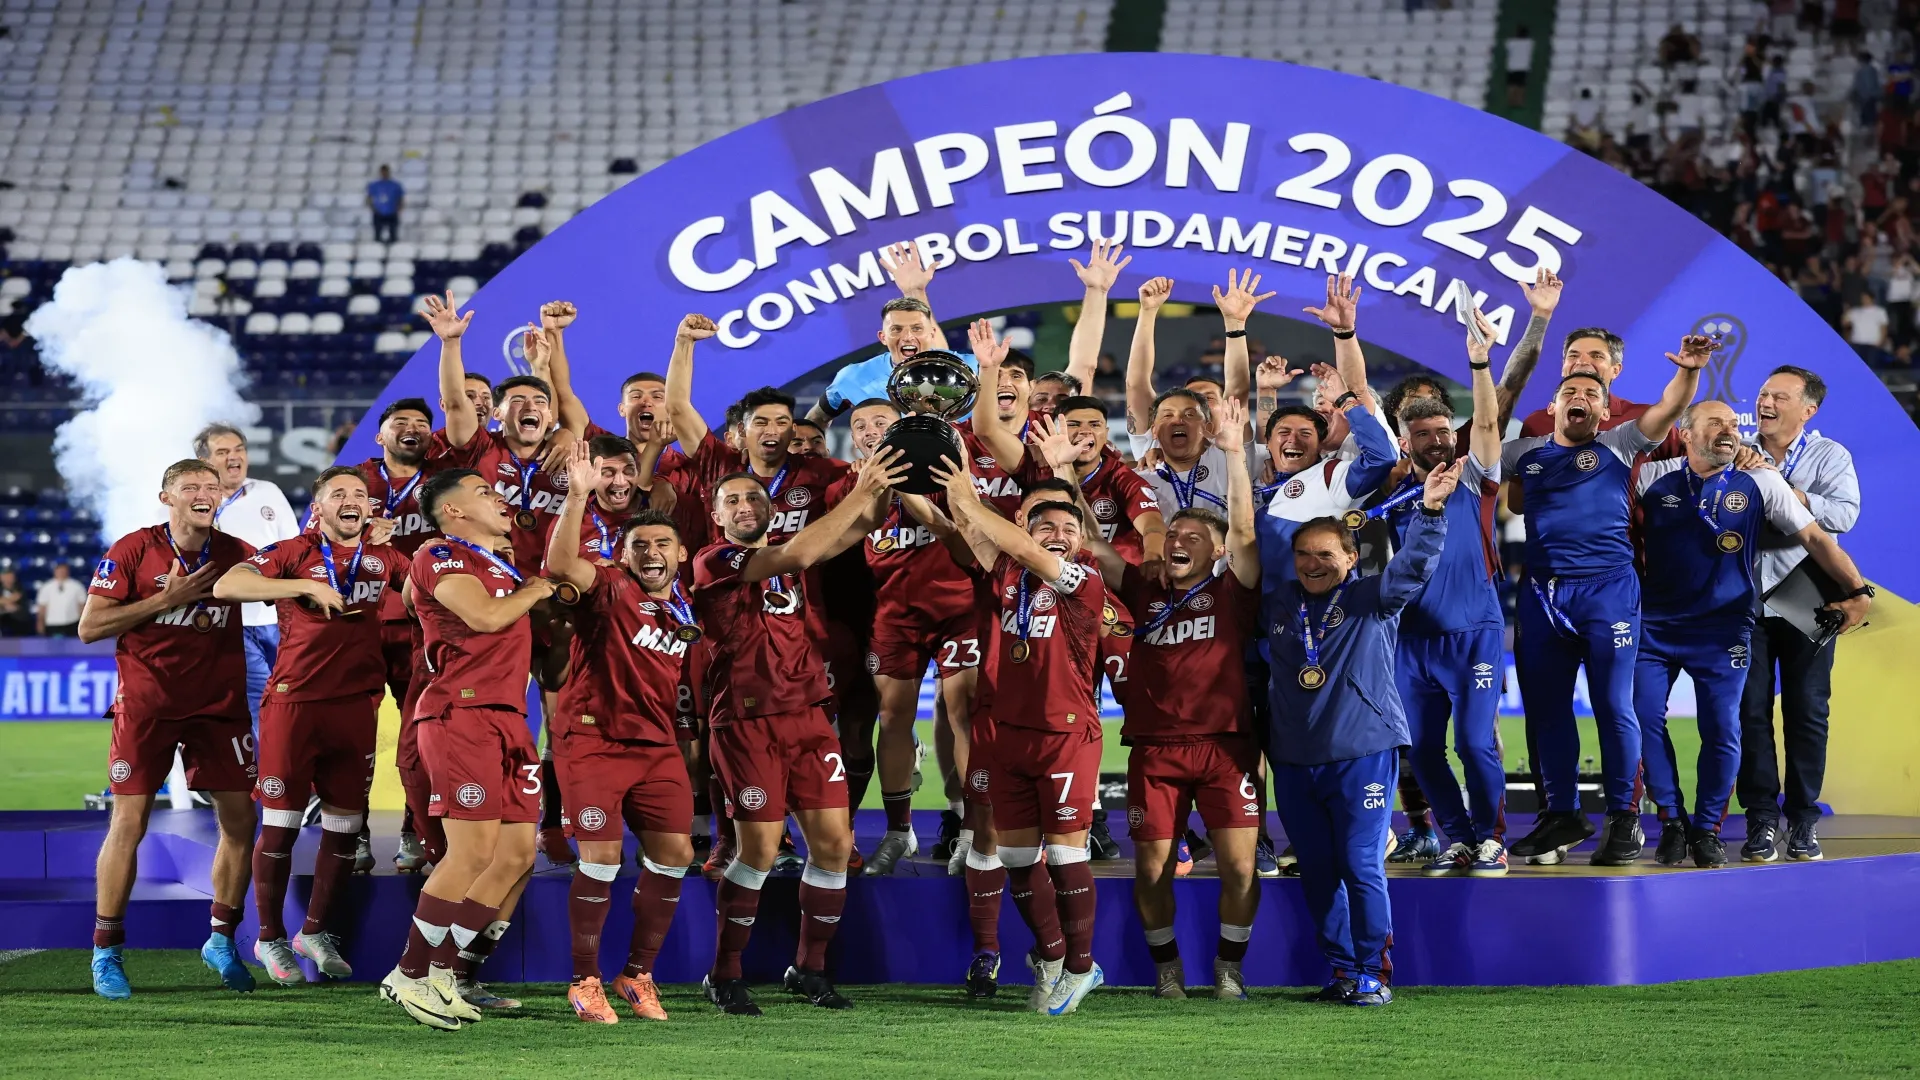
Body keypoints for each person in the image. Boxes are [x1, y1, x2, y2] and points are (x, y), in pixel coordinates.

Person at [692, 450, 905, 1016]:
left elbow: (859, 525)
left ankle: (808, 968)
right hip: (746, 721)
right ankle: (724, 972)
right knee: (758, 852)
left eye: (754, 498)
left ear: (771, 508)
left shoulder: (789, 557)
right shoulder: (713, 561)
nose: (744, 506)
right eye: (732, 500)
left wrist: (880, 486)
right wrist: (864, 489)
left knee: (835, 847)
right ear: (716, 516)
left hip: (810, 717)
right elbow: (805, 547)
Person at [1502, 334, 1710, 867]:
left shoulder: (1621, 444)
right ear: (1553, 407)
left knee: (1614, 707)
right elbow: (1477, 445)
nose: (1582, 396)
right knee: (1545, 711)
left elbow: (1671, 406)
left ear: (1603, 410)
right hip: (1543, 596)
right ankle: (1562, 815)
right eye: (1570, 388)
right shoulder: (1522, 454)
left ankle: (1623, 819)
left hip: (1609, 592)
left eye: (1592, 393)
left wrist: (1687, 370)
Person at [1634, 401, 1871, 869]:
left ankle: (1707, 829)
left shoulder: (1762, 480)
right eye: (1715, 423)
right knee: (1643, 721)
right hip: (1655, 626)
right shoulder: (1648, 477)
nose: (1729, 430)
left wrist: (1858, 591)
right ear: (1685, 433)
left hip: (1725, 626)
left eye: (1731, 423)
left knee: (1724, 729)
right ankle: (1672, 822)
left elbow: (1817, 538)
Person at [1082, 396, 1263, 1000]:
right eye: (1174, 532)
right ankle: (1166, 970)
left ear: (1215, 554)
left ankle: (1230, 967)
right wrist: (1061, 472)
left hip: (1225, 747)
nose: (1180, 540)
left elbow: (1241, 528)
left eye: (1194, 536)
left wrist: (1235, 457)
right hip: (1154, 750)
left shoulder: (1234, 592)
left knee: (1239, 865)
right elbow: (1088, 540)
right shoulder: (1141, 586)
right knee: (1153, 868)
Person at [1263, 462, 1459, 1007]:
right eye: (1305, 554)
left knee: (1359, 863)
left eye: (1327, 554)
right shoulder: (1280, 604)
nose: (1314, 563)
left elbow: (1415, 565)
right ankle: (1343, 970)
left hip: (1362, 753)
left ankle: (1374, 969)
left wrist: (1433, 511)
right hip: (1295, 760)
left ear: (1351, 558)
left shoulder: (1374, 598)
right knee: (1319, 872)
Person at [211, 466, 403, 985]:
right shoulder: (295, 551)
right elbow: (228, 584)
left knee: (345, 826)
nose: (352, 500)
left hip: (358, 706)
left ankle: (314, 932)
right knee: (281, 825)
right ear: (317, 508)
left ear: (370, 508)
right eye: (338, 494)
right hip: (295, 707)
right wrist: (298, 586)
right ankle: (270, 935)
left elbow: (425, 590)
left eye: (359, 495)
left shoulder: (385, 557)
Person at [933, 452, 1109, 1017]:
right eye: (1044, 527)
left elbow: (1019, 546)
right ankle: (1053, 955)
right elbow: (971, 529)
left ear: (1081, 541)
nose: (1056, 536)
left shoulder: (1085, 583)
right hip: (1008, 737)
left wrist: (977, 502)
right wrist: (957, 483)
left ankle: (1083, 968)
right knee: (1013, 855)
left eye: (1068, 529)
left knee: (1062, 854)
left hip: (1066, 736)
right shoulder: (1008, 577)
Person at [381, 469, 557, 1030]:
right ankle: (408, 974)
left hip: (509, 718)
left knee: (515, 856)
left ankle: (444, 972)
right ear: (453, 511)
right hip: (462, 712)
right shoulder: (438, 552)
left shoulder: (497, 563)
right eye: (484, 491)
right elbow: (481, 617)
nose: (497, 497)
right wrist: (535, 588)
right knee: (471, 853)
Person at [78, 459, 258, 1000]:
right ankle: (106, 951)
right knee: (128, 823)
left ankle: (222, 939)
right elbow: (89, 627)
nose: (204, 493)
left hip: (219, 708)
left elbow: (287, 585)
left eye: (211, 486)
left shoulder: (235, 552)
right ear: (166, 497)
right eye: (190, 487)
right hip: (148, 707)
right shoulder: (133, 550)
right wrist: (164, 600)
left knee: (241, 820)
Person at [544, 443, 704, 1024]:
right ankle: (583, 980)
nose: (652, 552)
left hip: (657, 747)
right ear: (623, 553)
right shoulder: (610, 587)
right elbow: (562, 567)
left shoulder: (687, 607)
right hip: (592, 741)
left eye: (663, 544)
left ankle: (638, 975)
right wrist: (577, 495)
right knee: (601, 862)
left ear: (681, 554)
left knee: (675, 855)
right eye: (640, 545)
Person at [1390, 310, 1513, 876]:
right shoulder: (1388, 493)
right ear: (1404, 441)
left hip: (1473, 635)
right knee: (1421, 750)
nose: (1438, 441)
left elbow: (1487, 423)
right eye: (1424, 435)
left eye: (1443, 432)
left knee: (1473, 743)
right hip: (1411, 641)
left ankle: (1493, 838)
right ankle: (1459, 838)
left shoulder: (1473, 476)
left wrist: (1479, 360)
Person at [1737, 366, 1863, 862]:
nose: (1765, 402)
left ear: (1808, 409)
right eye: (1763, 393)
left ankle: (1804, 819)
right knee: (1748, 714)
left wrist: (1786, 495)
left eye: (1779, 397)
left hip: (1808, 597)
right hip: (1743, 599)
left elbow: (1845, 514)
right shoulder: (1737, 451)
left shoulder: (1831, 455)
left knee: (1808, 713)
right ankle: (1762, 820)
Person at [354, 396, 452, 872]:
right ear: (381, 435)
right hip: (361, 626)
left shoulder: (443, 480)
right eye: (400, 423)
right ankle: (354, 833)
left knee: (422, 733)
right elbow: (317, 540)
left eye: (421, 423)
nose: (411, 428)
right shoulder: (353, 483)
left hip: (423, 625)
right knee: (354, 734)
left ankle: (415, 832)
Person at [196, 422, 300, 725]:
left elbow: (295, 550)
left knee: (289, 702)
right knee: (259, 706)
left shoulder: (268, 492)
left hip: (278, 622)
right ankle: (266, 772)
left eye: (239, 449)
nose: (234, 457)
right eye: (223, 451)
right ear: (205, 462)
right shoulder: (196, 503)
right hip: (230, 625)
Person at [804, 242, 961, 427]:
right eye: (896, 329)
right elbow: (816, 419)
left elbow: (941, 359)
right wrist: (815, 453)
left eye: (916, 329)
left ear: (930, 334)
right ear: (882, 337)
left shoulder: (960, 373)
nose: (908, 337)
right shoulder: (854, 378)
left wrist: (915, 292)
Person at [33, 561, 85, 636]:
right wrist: (40, 624)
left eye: (64, 571)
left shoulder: (77, 586)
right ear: (55, 571)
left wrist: (83, 624)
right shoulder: (46, 587)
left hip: (72, 623)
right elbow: (42, 607)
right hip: (52, 624)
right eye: (59, 570)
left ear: (68, 572)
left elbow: (82, 606)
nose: (61, 573)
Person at [367, 164, 404, 244]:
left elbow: (400, 199)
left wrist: (398, 209)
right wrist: (373, 208)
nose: (384, 173)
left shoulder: (395, 185)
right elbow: (369, 198)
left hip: (392, 212)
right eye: (382, 172)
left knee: (393, 236)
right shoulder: (375, 185)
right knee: (377, 236)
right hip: (379, 212)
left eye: (386, 172)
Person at [0, 569, 29, 636]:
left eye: (11, 577)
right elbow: (14, 598)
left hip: (18, 623)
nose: (8, 579)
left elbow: (18, 597)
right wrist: (6, 607)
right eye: (6, 577)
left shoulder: (19, 588)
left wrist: (2, 602)